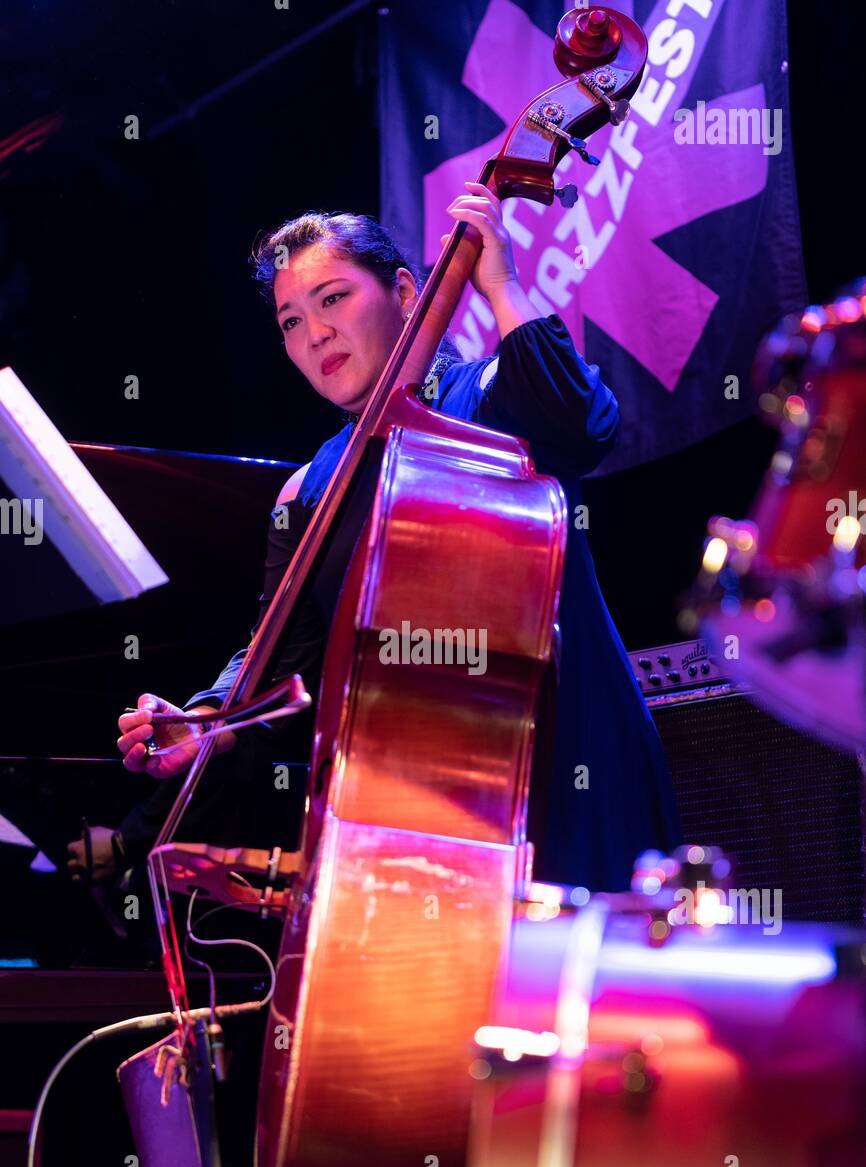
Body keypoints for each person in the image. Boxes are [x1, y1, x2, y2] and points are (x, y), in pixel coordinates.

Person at [68, 182, 680, 893]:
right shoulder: (309, 488)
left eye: (333, 298)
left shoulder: (487, 398)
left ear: (405, 290)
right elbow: (282, 656)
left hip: (564, 752)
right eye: (290, 321)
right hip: (415, 806)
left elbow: (584, 426)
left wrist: (502, 284)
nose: (314, 333)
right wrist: (206, 720)